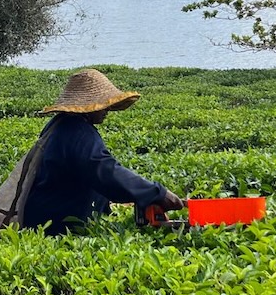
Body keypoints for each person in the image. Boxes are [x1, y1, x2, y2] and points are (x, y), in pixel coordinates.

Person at [20, 68, 184, 235]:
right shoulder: (77, 132)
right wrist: (156, 193)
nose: (107, 110)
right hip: (56, 226)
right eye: (103, 104)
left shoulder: (62, 124)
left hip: (41, 217)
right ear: (88, 106)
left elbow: (87, 174)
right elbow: (105, 170)